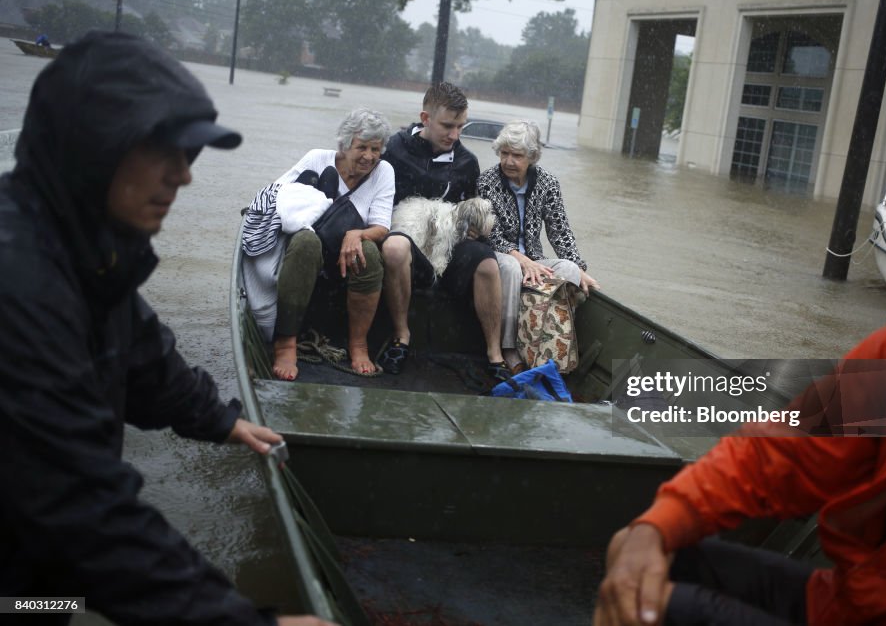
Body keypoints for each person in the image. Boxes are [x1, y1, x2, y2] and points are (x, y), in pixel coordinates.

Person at [0, 31, 333, 626]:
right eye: (166, 153)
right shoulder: (19, 283)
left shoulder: (82, 248)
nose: (184, 178)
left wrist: (219, 417)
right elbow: (81, 508)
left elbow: (142, 357)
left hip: (36, 574)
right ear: (93, 147)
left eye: (190, 156)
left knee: (50, 605)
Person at [593, 212, 886, 625]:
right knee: (647, 557)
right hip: (849, 602)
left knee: (667, 610)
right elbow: (784, 453)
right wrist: (659, 525)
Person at [242, 108, 395, 380]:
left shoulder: (383, 171)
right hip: (306, 249)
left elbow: (381, 227)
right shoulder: (316, 158)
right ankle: (285, 342)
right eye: (362, 147)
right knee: (305, 241)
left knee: (369, 252)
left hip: (345, 256)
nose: (369, 156)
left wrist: (356, 234)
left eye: (376, 149)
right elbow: (278, 197)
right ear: (344, 145)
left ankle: (358, 345)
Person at [379, 82, 510, 381]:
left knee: (487, 263)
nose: (455, 135)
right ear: (425, 119)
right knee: (395, 247)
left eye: (461, 127)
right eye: (447, 126)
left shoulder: (466, 163)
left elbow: (469, 215)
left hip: (448, 249)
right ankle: (401, 338)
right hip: (405, 249)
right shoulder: (394, 150)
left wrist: (476, 231)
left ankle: (495, 355)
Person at [477, 120, 600, 371]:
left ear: (532, 156)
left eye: (517, 155)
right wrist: (522, 260)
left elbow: (560, 230)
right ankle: (509, 348)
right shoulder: (487, 182)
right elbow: (491, 235)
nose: (509, 161)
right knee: (512, 267)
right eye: (505, 153)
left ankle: (553, 342)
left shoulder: (547, 183)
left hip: (534, 258)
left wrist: (580, 268)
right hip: (499, 256)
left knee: (567, 270)